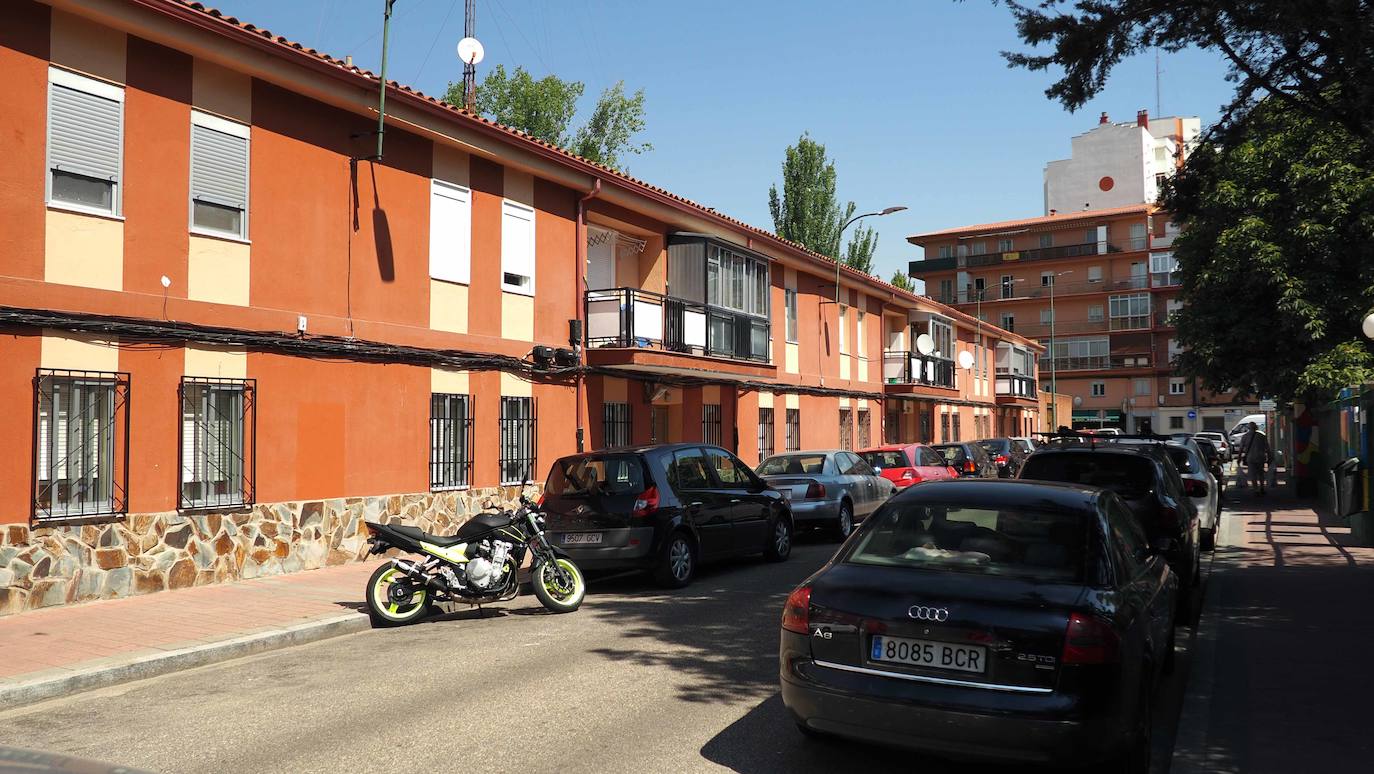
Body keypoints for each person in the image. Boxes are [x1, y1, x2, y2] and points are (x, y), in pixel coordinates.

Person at [1240, 422, 1271, 495]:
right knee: (1261, 473)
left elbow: (1241, 449)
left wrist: (1239, 458)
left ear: (1249, 428)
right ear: (1256, 427)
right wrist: (1270, 457)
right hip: (1260, 457)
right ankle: (1262, 487)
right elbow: (1267, 448)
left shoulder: (1245, 436)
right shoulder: (1262, 436)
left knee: (1252, 474)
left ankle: (1256, 489)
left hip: (1250, 458)